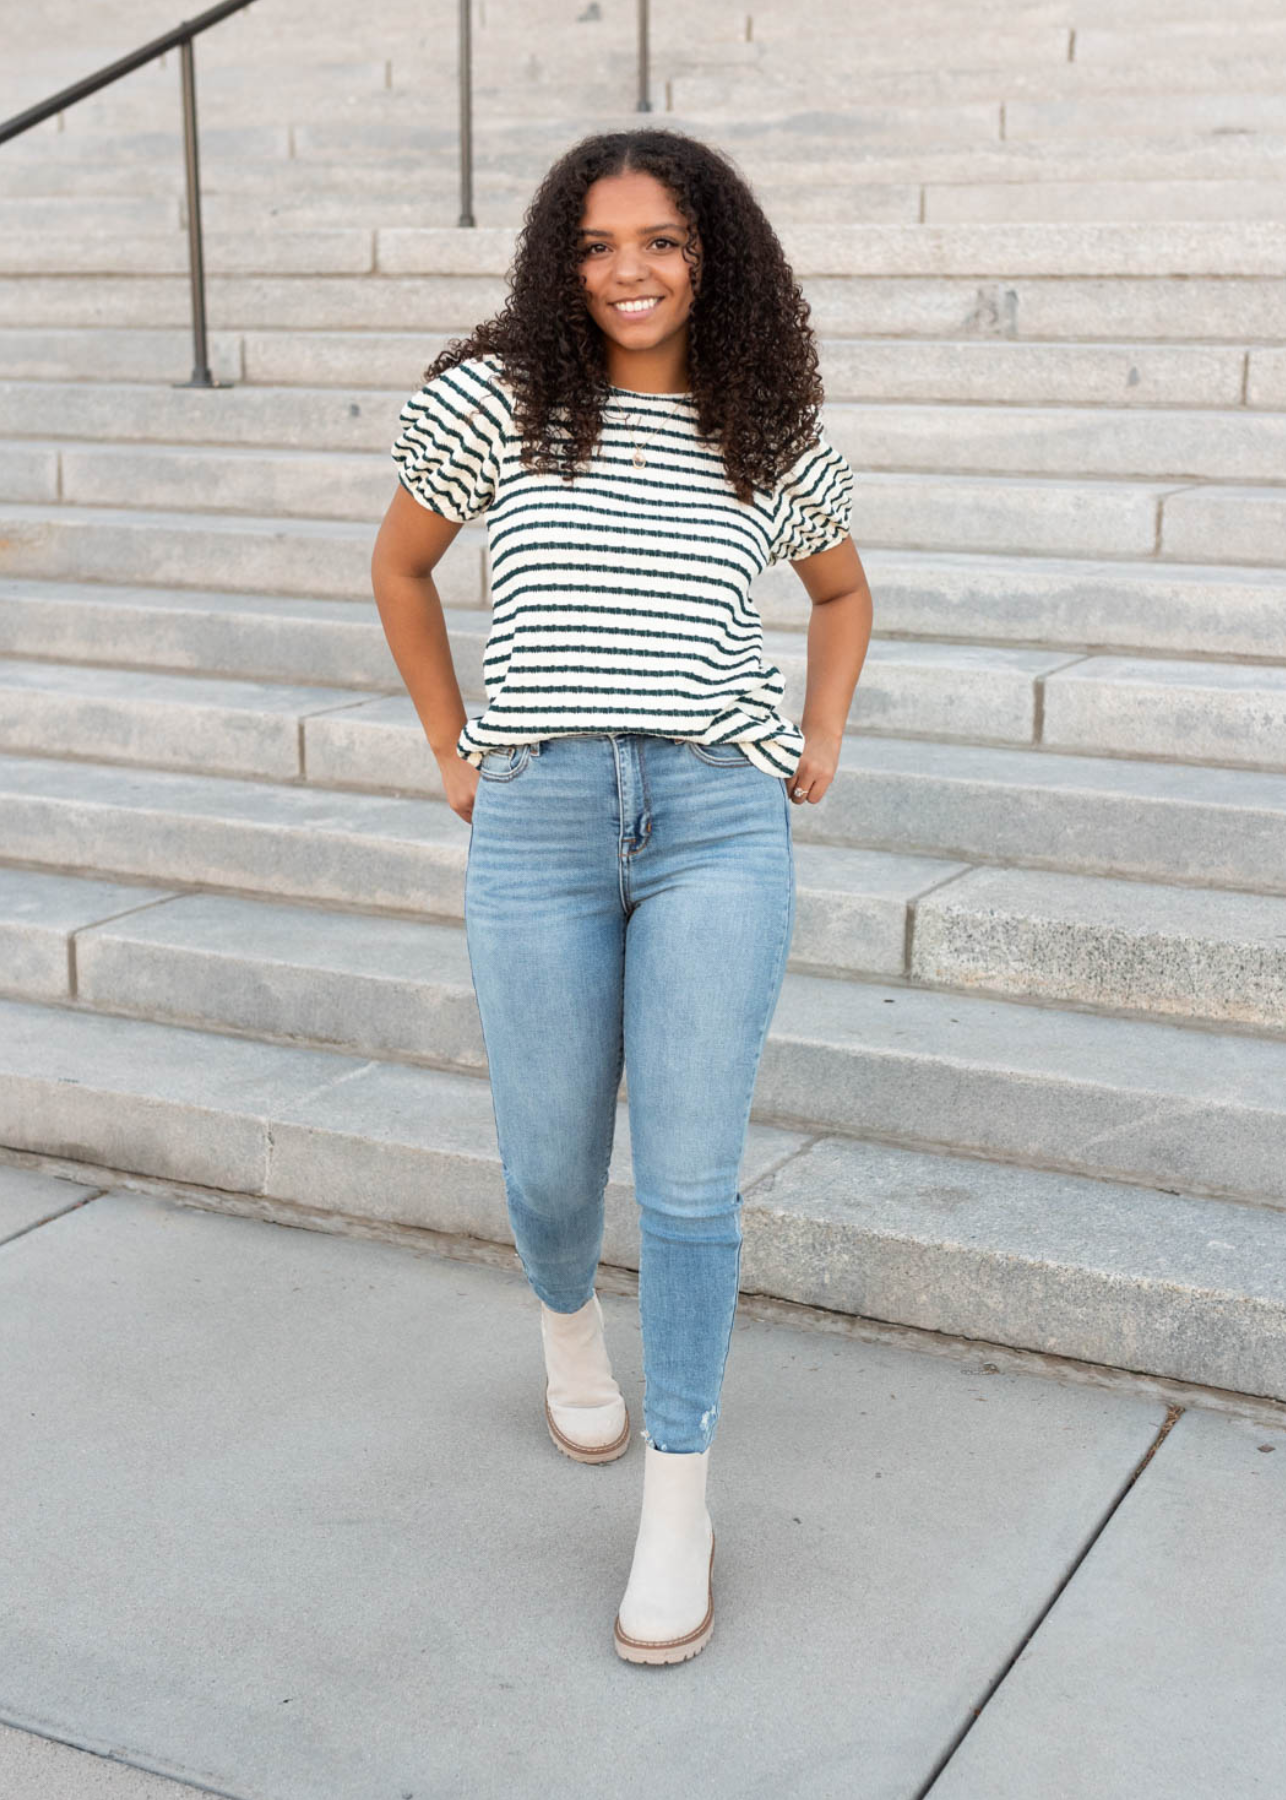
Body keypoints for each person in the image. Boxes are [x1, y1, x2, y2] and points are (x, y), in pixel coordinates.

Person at [370, 126, 872, 1666]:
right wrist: (455, 747)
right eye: (595, 246)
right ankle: (566, 1326)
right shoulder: (491, 401)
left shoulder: (764, 419)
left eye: (659, 241)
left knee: (692, 1181)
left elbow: (842, 592)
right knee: (543, 1171)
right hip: (540, 823)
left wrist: (823, 730)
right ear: (557, 260)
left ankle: (678, 1498)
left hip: (719, 819)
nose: (628, 272)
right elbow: (397, 569)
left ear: (710, 253)